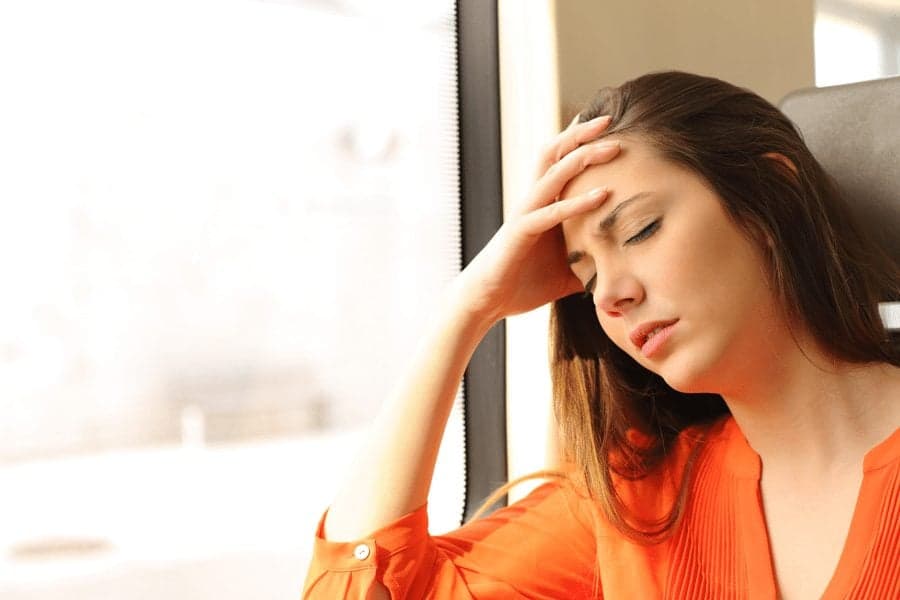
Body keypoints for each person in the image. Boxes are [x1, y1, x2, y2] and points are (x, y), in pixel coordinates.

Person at [301, 71, 900, 599]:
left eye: (640, 231)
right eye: (586, 278)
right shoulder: (632, 506)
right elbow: (367, 589)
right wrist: (467, 308)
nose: (611, 294)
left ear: (772, 196)